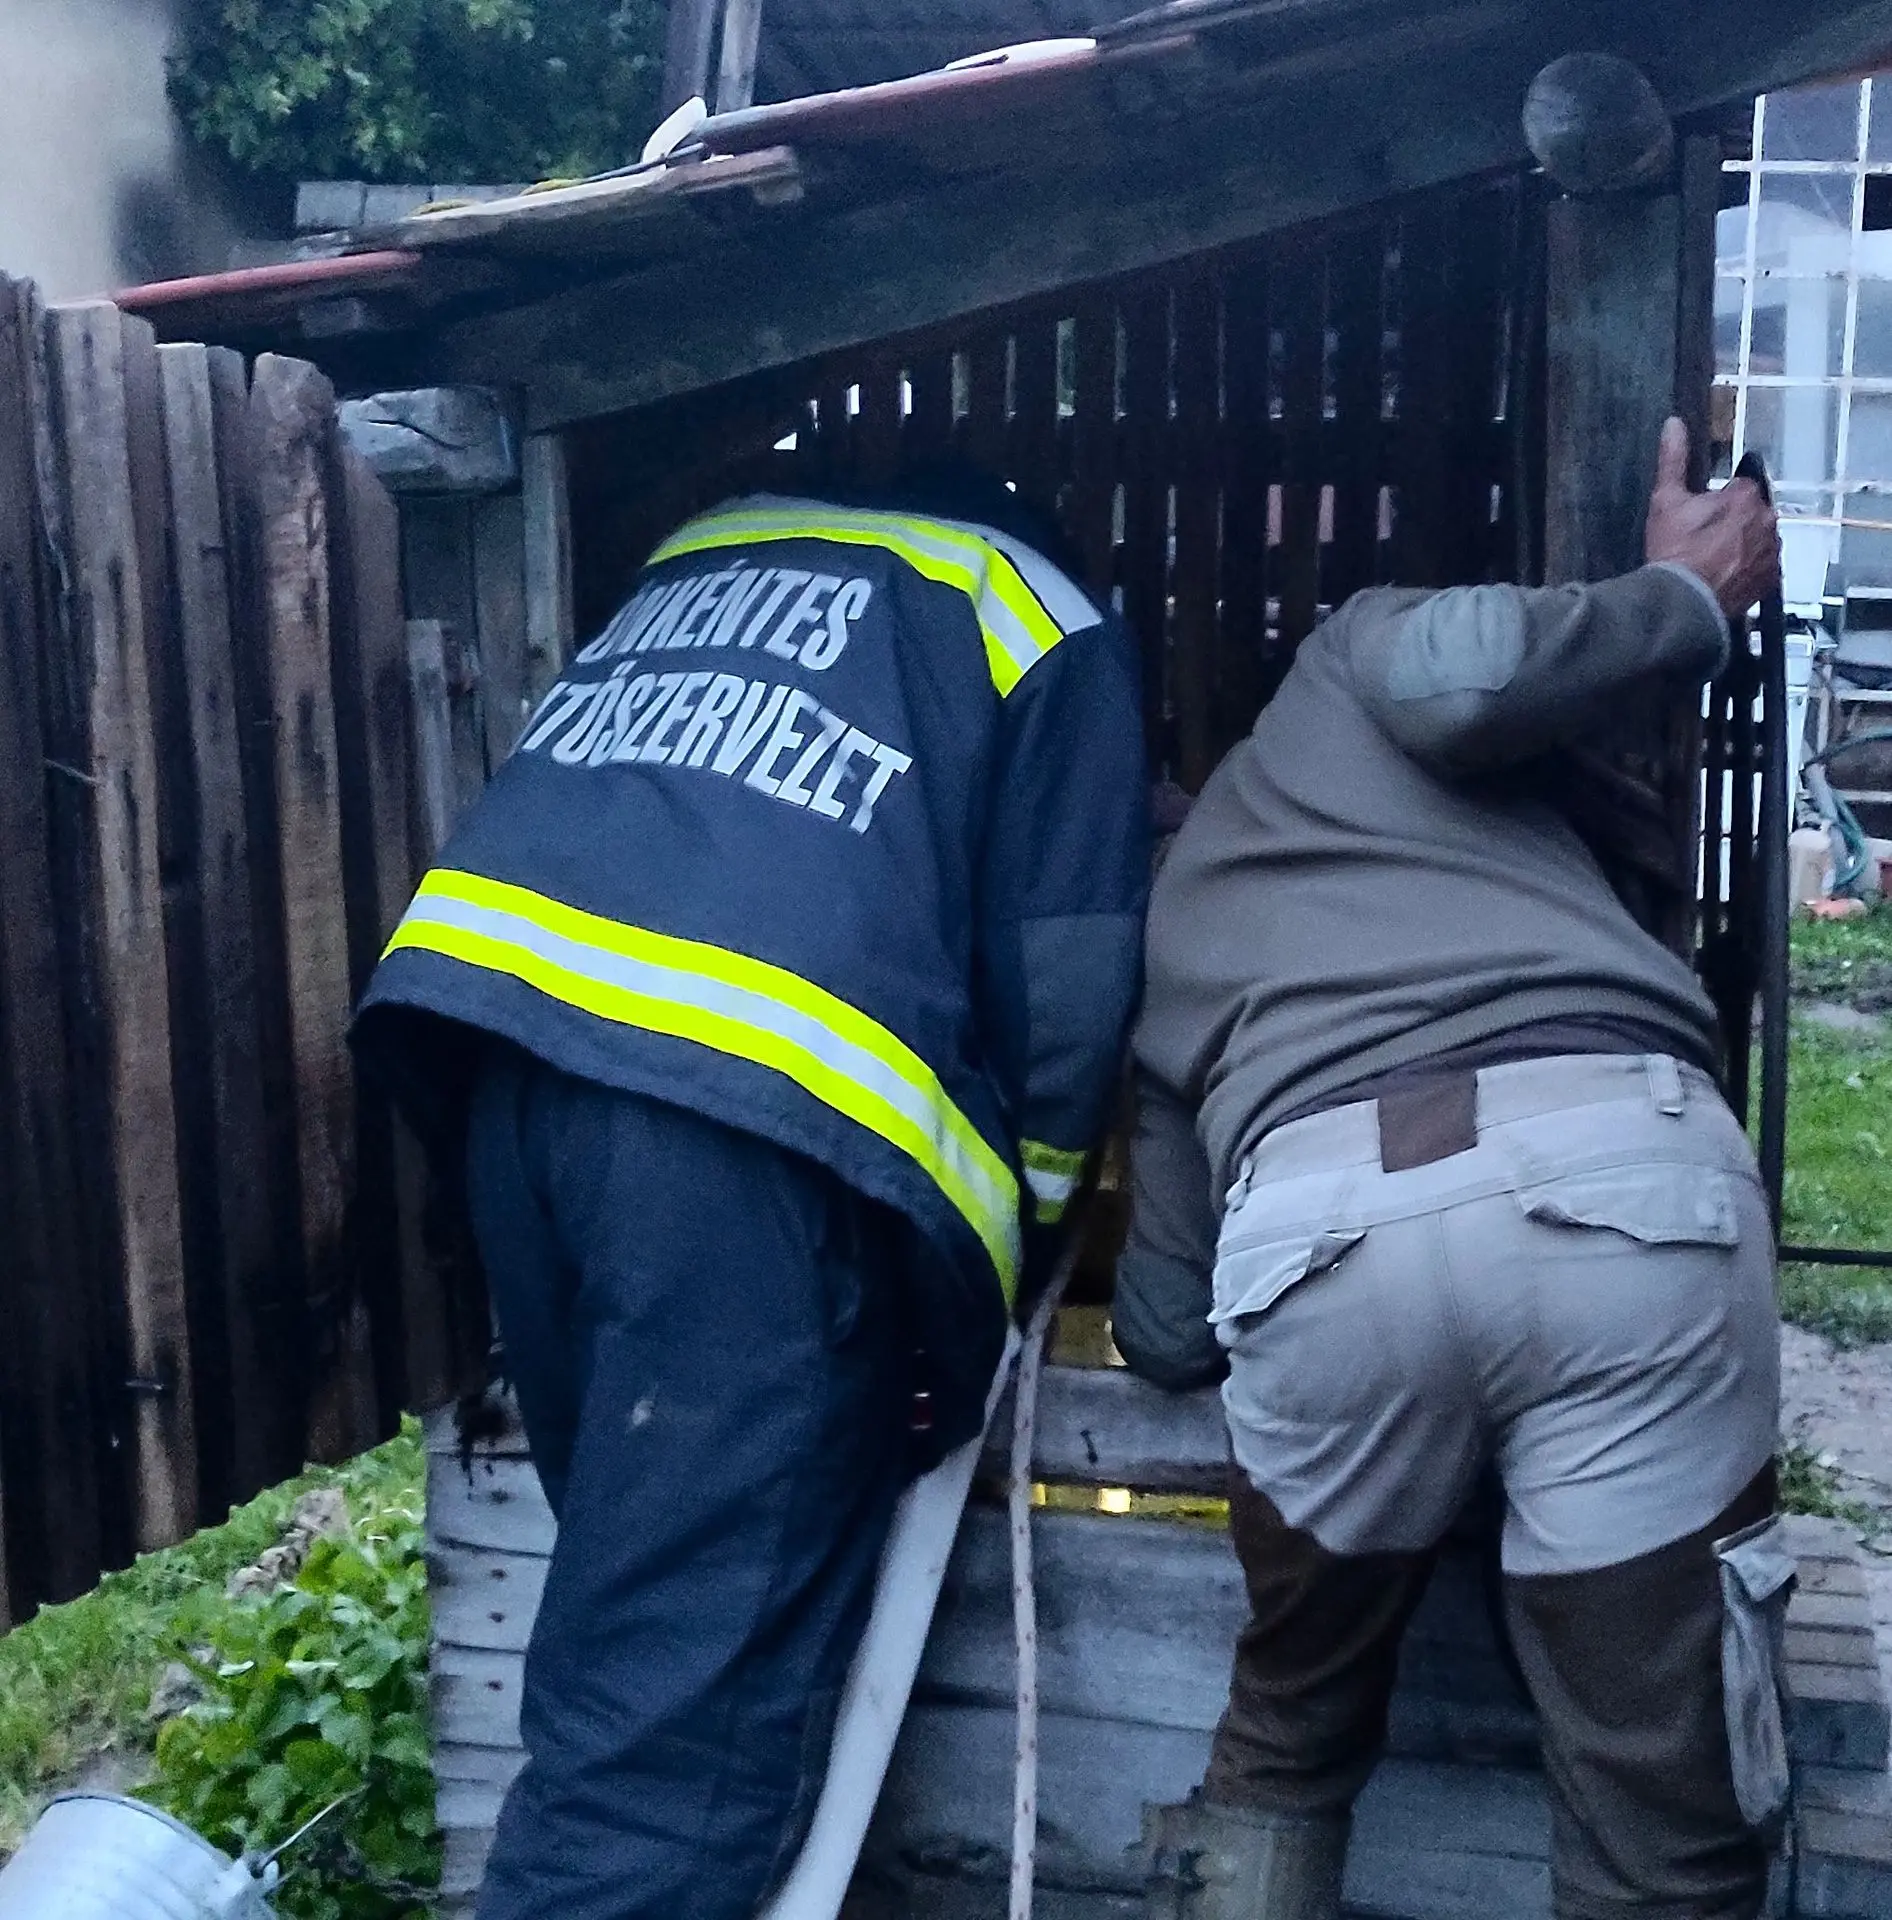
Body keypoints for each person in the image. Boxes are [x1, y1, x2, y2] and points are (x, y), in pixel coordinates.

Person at [352, 464, 1149, 1920]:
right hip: (738, 1151)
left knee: (640, 1625)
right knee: (670, 1754)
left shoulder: (705, 554)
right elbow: (1066, 1002)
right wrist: (1007, 1271)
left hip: (510, 1080)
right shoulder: (1041, 617)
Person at [1115, 419, 1786, 1920]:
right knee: (1660, 1818)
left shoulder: (1164, 943)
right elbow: (1470, 675)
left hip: (1322, 1237)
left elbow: (1163, 1331)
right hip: (1624, 1186)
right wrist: (1682, 599)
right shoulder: (1344, 663)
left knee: (1286, 1739)